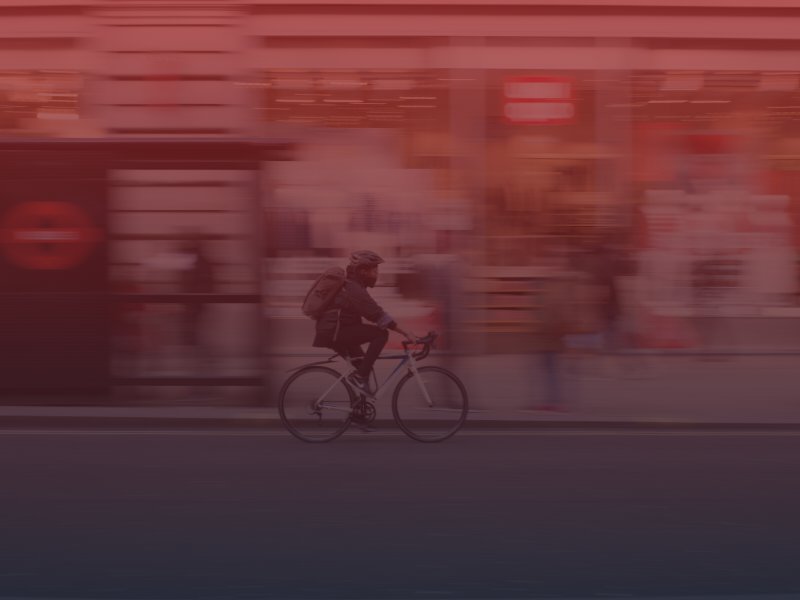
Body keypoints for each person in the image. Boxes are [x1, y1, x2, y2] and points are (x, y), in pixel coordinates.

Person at [313, 250, 416, 393]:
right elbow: (376, 315)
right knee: (381, 334)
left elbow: (373, 313)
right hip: (336, 333)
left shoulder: (354, 285)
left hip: (336, 333)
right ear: (363, 271)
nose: (377, 274)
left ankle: (358, 411)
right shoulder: (353, 288)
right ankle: (360, 378)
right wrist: (406, 332)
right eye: (375, 270)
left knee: (363, 367)